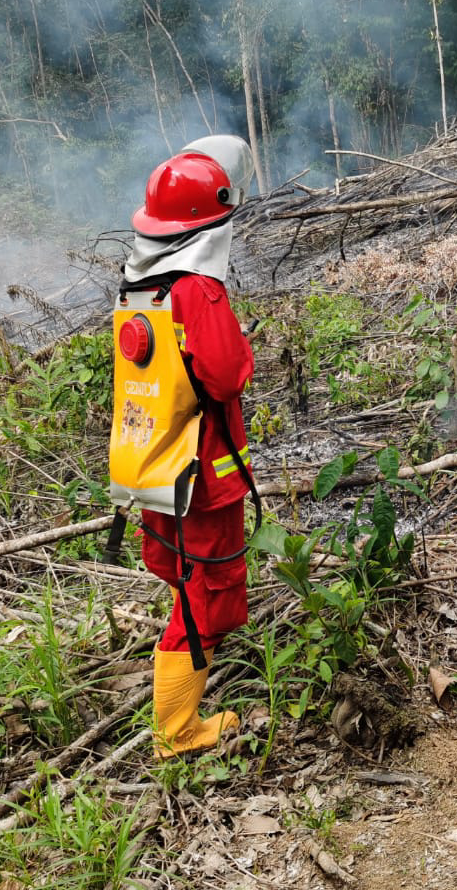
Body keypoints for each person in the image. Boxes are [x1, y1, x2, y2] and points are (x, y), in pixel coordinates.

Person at [112, 135, 257, 759]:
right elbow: (225, 374)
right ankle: (176, 731)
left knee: (185, 580)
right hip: (203, 475)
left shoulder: (137, 288)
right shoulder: (197, 290)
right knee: (208, 594)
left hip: (152, 465)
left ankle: (178, 698)